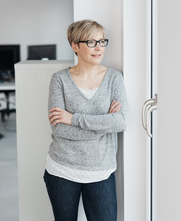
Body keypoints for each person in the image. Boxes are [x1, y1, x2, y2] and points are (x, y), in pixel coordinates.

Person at [43, 19, 127, 221]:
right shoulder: (59, 79)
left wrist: (73, 118)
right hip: (62, 169)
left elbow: (120, 122)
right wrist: (104, 122)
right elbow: (60, 129)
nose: (99, 48)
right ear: (75, 45)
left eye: (102, 41)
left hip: (101, 171)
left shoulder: (114, 78)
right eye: (91, 42)